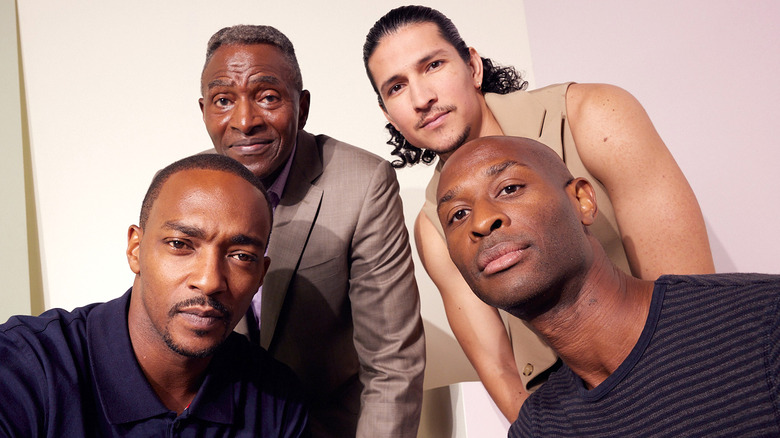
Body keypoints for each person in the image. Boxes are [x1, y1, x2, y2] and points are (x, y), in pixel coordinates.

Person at [363, 5, 714, 421]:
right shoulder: (433, 226)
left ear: (472, 66)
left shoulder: (593, 115)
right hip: (569, 411)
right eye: (397, 87)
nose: (423, 99)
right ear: (388, 114)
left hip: (677, 375)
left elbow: (690, 301)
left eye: (433, 65)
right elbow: (500, 368)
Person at [437, 135, 780, 437]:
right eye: (458, 215)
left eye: (510, 188)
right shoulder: (537, 428)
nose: (481, 221)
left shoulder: (764, 323)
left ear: (582, 201)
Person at [198, 25, 424, 438]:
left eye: (267, 97)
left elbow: (392, 363)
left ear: (301, 106)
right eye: (223, 100)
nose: (245, 121)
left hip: (325, 425)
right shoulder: (186, 189)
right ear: (204, 111)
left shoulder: (362, 183)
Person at [0, 154, 309, 436]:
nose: (209, 280)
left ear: (260, 276)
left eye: (241, 256)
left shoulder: (275, 400)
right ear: (136, 249)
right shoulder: (25, 366)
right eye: (180, 244)